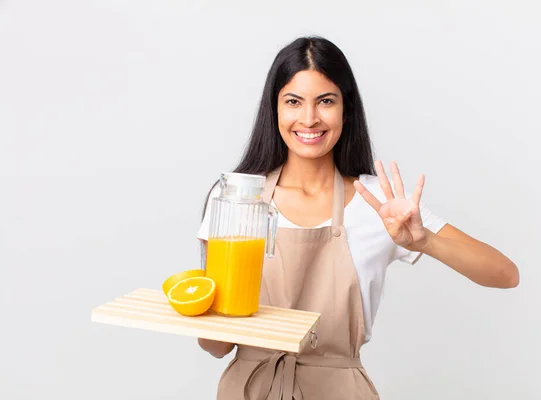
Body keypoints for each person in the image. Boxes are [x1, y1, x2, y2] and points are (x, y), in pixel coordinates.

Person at [195, 36, 519, 399]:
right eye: (293, 101)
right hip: (250, 390)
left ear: (346, 110)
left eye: (326, 101)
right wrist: (203, 313)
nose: (309, 118)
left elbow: (505, 274)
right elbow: (216, 346)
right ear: (274, 110)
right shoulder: (238, 198)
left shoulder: (380, 202)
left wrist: (425, 241)